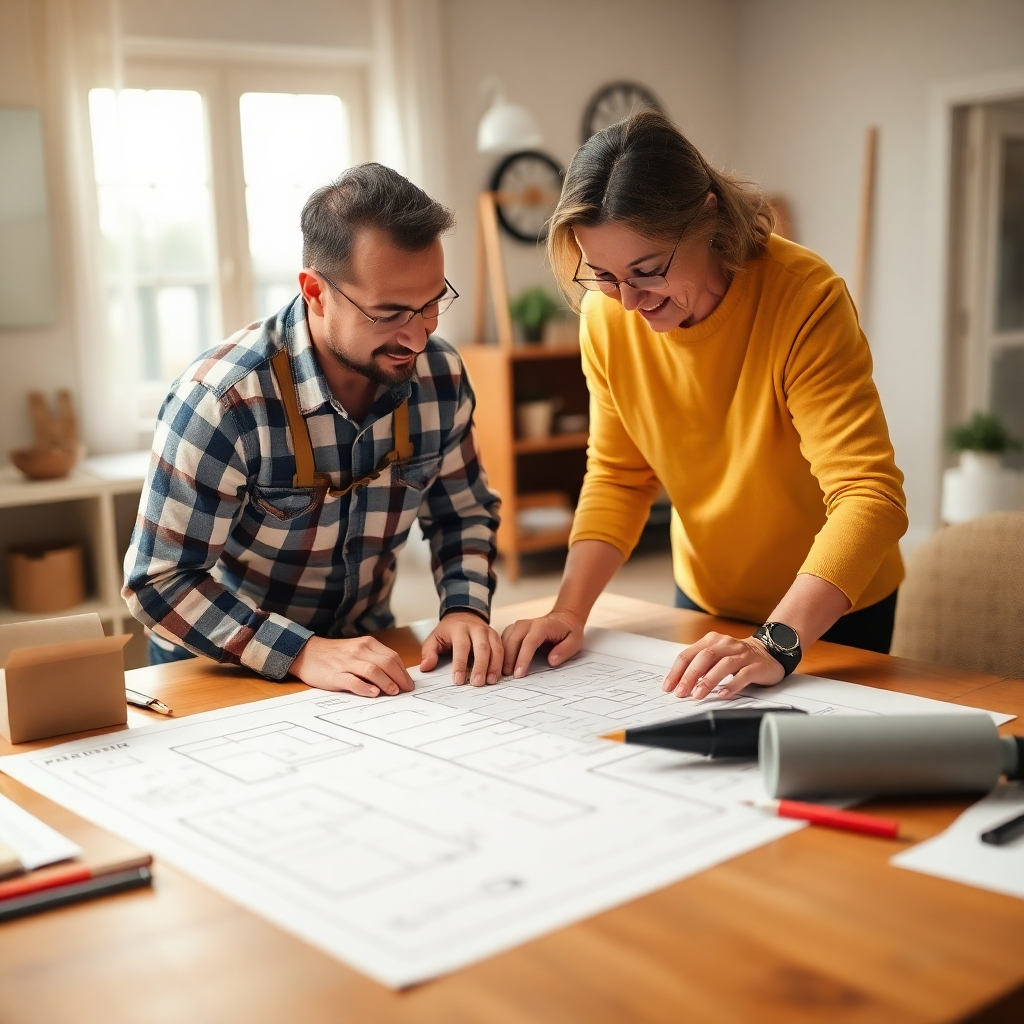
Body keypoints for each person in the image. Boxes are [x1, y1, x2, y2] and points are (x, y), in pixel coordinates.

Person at [501, 111, 908, 701]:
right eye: (606, 277)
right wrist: (568, 610)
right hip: (706, 598)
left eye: (649, 271)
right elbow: (618, 476)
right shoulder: (606, 318)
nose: (631, 302)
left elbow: (869, 498)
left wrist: (776, 642)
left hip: (832, 608)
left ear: (708, 216)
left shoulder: (804, 298)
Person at [124, 163, 503, 695]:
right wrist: (301, 652)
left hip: (367, 657)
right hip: (220, 668)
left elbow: (463, 512)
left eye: (432, 304)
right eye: (390, 312)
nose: (417, 338)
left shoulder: (440, 377)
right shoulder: (223, 400)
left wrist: (465, 608)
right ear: (315, 291)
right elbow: (158, 583)